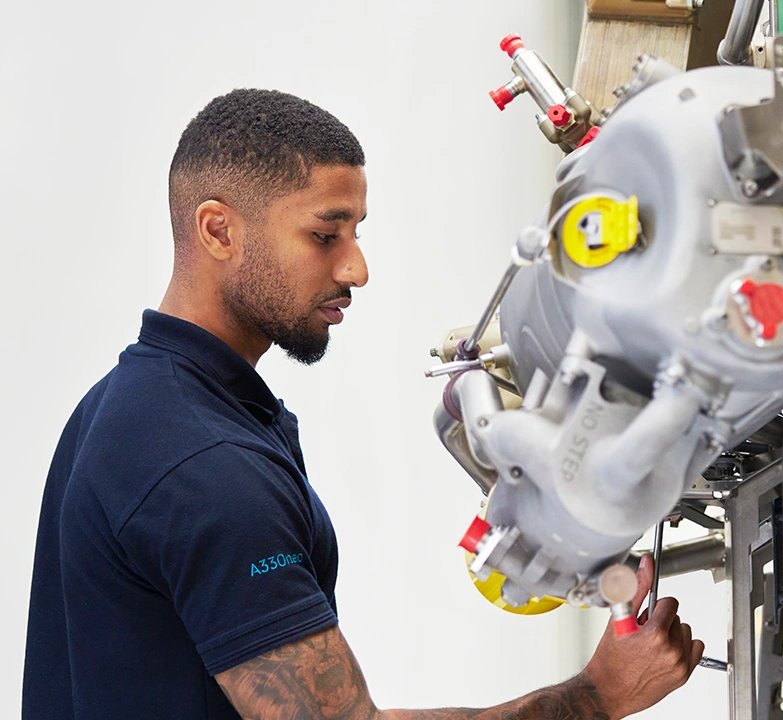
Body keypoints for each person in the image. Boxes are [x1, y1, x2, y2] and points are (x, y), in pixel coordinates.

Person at [23, 89, 704, 720]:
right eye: (326, 234)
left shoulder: (131, 406)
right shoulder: (203, 464)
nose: (356, 268)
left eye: (357, 232)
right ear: (218, 231)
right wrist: (599, 694)